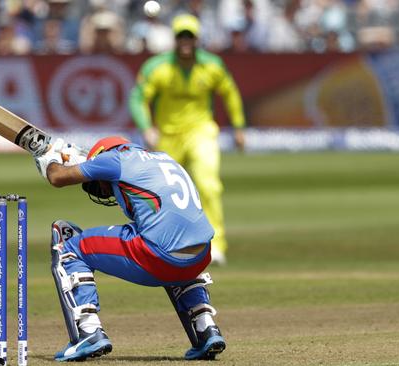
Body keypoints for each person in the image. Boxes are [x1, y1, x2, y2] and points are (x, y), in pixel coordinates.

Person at [34, 136, 226, 361]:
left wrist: (49, 158)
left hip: (158, 257)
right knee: (177, 242)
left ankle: (89, 331)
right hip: (201, 256)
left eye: (101, 184)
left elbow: (57, 177)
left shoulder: (115, 159)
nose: (104, 190)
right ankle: (206, 328)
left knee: (70, 246)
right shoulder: (164, 157)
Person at [129, 14, 246, 265]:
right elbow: (138, 98)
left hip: (201, 132)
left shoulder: (212, 65)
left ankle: (216, 245)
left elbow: (231, 93)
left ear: (197, 39)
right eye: (181, 36)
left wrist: (238, 127)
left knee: (208, 184)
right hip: (167, 137)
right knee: (162, 193)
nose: (185, 41)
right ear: (174, 38)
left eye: (189, 36)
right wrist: (146, 128)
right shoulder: (157, 67)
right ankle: (163, 244)